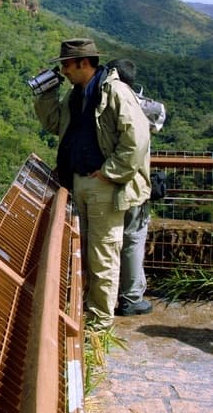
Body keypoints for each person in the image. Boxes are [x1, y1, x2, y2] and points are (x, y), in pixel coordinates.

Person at [34, 39, 151, 330]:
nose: (63, 70)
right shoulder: (76, 94)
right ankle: (88, 312)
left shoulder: (114, 92)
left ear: (83, 63)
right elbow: (55, 124)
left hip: (104, 186)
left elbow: (137, 139)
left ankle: (99, 325)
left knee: (103, 254)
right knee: (83, 250)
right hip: (80, 182)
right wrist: (45, 94)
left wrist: (110, 172)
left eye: (66, 65)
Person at [106, 58, 164, 316]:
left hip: (107, 185)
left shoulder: (104, 102)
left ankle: (107, 298)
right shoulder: (138, 106)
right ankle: (131, 298)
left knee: (109, 242)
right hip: (134, 186)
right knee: (132, 241)